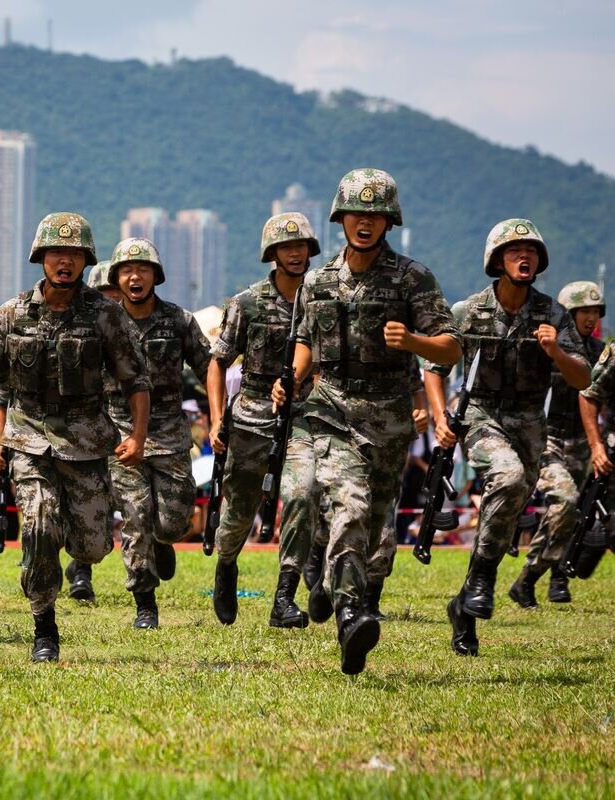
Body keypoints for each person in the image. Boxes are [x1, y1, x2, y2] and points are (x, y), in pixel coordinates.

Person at [272, 169, 462, 674]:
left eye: (375, 215)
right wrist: (290, 378)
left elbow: (452, 345)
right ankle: (351, 617)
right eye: (357, 213)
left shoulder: (412, 278)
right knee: (350, 507)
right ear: (341, 217)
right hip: (329, 411)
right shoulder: (317, 280)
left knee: (373, 523)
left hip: (387, 423)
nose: (365, 222)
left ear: (388, 221)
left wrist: (414, 343)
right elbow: (306, 344)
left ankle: (335, 577)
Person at [0, 212, 150, 662]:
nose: (63, 262)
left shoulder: (105, 315)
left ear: (85, 260)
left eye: (73, 255)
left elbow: (135, 381)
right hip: (29, 437)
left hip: (87, 441)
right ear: (41, 258)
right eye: (55, 254)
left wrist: (139, 436)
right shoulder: (12, 315)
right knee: (39, 524)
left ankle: (71, 547)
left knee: (92, 545)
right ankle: (44, 626)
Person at [429, 219, 588, 656]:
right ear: (497, 260)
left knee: (505, 511)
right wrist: (442, 415)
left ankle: (464, 605)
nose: (525, 257)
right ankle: (482, 580)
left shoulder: (552, 315)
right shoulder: (469, 311)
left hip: (530, 423)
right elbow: (437, 369)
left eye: (531, 251)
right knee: (509, 478)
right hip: (481, 414)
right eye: (515, 250)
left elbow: (582, 377)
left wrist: (556, 351)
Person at [211, 212, 321, 630]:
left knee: (302, 492)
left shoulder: (322, 299)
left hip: (304, 413)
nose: (295, 253)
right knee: (239, 509)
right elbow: (217, 362)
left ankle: (284, 597)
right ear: (272, 254)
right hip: (252, 415)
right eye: (285, 247)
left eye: (301, 246)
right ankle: (225, 564)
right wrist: (219, 416)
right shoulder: (247, 303)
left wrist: (305, 379)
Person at [101, 237, 212, 629]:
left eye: (143, 269)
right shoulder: (104, 322)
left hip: (169, 435)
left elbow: (208, 365)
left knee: (172, 521)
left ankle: (164, 542)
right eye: (127, 270)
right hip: (121, 435)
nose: (135, 276)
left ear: (155, 276)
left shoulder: (178, 321)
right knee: (134, 514)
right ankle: (144, 602)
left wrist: (219, 415)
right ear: (117, 278)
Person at [510, 281, 605, 607]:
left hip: (582, 442)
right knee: (563, 502)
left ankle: (550, 579)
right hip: (547, 438)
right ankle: (532, 576)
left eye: (595, 311)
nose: (591, 318)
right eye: (583, 311)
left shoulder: (599, 353)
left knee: (573, 514)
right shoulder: (546, 348)